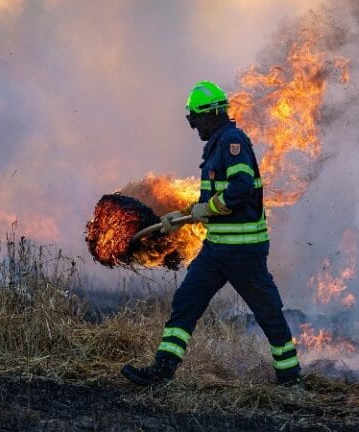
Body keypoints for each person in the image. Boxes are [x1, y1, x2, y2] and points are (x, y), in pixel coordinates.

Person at [121, 80, 301, 386]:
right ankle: (162, 371)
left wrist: (210, 208)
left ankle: (290, 377)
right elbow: (212, 203)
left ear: (212, 114)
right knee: (186, 302)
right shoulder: (216, 145)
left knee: (267, 312)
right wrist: (185, 214)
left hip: (244, 251)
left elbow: (240, 189)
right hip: (216, 250)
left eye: (196, 119)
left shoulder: (233, 142)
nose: (194, 127)